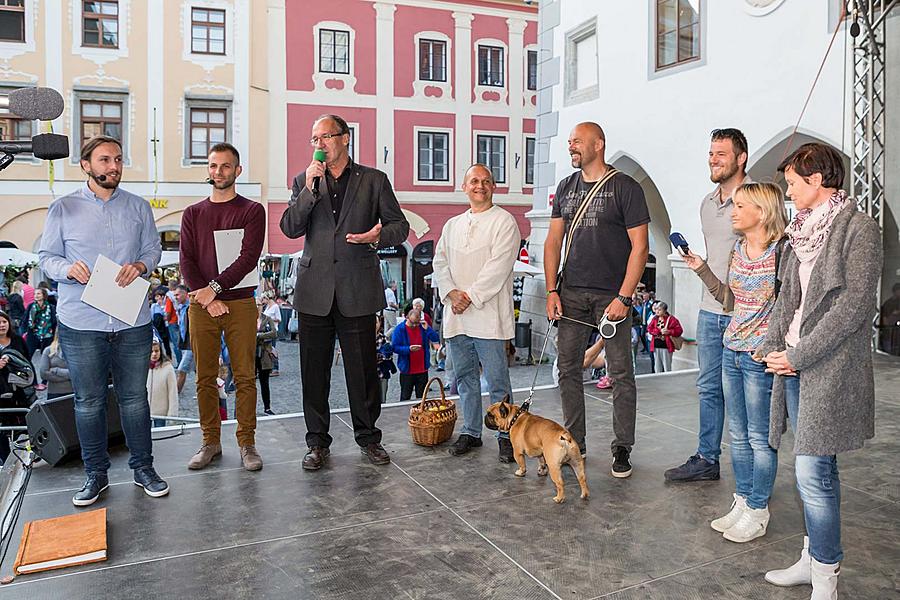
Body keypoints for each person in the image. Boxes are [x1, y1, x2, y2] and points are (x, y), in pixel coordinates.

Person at [756, 143, 882, 597]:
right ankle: (813, 559)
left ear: (816, 180)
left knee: (813, 471)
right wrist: (774, 344)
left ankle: (826, 575)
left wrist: (799, 353)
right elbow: (786, 296)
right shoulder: (801, 229)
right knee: (811, 469)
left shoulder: (859, 229)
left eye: (792, 183)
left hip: (828, 368)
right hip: (793, 363)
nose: (787, 191)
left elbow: (854, 307)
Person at [38, 135, 169, 506]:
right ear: (86, 165)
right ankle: (95, 476)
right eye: (105, 160)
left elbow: (152, 249)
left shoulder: (139, 207)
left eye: (118, 159)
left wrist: (142, 266)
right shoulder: (62, 208)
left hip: (132, 321)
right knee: (89, 403)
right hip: (82, 322)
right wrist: (68, 268)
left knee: (134, 400)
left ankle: (144, 469)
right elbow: (46, 257)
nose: (114, 166)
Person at [280, 113, 410, 470]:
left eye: (325, 137)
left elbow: (401, 227)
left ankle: (368, 437)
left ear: (345, 138)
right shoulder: (304, 181)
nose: (318, 145)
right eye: (314, 139)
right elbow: (290, 227)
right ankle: (317, 443)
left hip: (357, 288)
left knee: (363, 370)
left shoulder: (374, 180)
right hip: (314, 291)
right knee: (313, 371)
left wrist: (377, 236)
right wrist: (308, 189)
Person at [682, 182, 788, 543]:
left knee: (761, 438)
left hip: (760, 358)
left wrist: (775, 347)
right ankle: (743, 502)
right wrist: (701, 269)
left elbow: (791, 309)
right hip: (732, 351)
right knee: (738, 436)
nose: (734, 211)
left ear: (762, 211)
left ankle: (759, 508)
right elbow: (729, 300)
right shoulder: (739, 251)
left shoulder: (782, 253)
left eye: (741, 206)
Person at [543, 122, 649, 478]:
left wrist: (624, 296)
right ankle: (575, 440)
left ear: (598, 144)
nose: (571, 146)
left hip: (611, 295)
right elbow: (553, 242)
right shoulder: (565, 187)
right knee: (567, 369)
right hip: (570, 292)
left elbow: (640, 247)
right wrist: (551, 290)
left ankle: (622, 447)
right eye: (570, 141)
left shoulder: (625, 187)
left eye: (577, 141)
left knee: (621, 373)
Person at [665, 128, 750, 483]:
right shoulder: (707, 203)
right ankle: (707, 459)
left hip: (745, 313)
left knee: (744, 394)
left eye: (721, 154)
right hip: (709, 309)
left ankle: (752, 474)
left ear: (740, 158)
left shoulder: (755, 200)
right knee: (708, 388)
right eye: (711, 154)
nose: (713, 160)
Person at [180, 142, 265, 472]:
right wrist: (206, 296)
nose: (219, 172)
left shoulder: (251, 210)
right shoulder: (193, 213)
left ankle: (247, 443)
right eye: (214, 166)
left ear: (237, 171)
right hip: (201, 305)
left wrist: (212, 290)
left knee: (244, 376)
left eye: (226, 166)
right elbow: (186, 259)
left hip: (240, 303)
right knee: (204, 377)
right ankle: (210, 442)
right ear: (208, 170)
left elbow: (248, 258)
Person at [432, 164, 520, 460]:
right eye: (473, 181)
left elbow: (499, 266)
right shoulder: (452, 225)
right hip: (457, 317)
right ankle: (471, 431)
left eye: (485, 181)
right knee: (465, 378)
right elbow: (439, 262)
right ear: (464, 186)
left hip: (488, 317)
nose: (479, 186)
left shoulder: (504, 221)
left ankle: (506, 435)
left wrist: (469, 296)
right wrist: (451, 293)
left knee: (497, 382)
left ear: (494, 186)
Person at [0, 309, 33, 463]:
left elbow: (27, 360)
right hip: (1, 394)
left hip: (20, 391)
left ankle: (26, 455)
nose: (2, 325)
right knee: (3, 431)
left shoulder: (18, 340)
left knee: (24, 426)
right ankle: (5, 459)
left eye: (4, 322)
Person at [391, 305, 440, 403]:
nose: (414, 325)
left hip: (422, 369)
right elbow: (395, 347)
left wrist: (428, 329)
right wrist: (408, 349)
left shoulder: (422, 327)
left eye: (416, 323)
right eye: (412, 323)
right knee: (405, 397)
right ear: (407, 318)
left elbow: (435, 339)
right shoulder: (399, 329)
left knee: (422, 399)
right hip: (407, 370)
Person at [23, 287, 57, 390]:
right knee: (27, 358)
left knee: (47, 359)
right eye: (35, 294)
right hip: (33, 335)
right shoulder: (31, 307)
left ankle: (45, 381)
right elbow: (25, 320)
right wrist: (24, 331)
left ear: (43, 295)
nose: (36, 296)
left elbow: (54, 322)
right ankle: (33, 382)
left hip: (47, 335)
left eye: (38, 294)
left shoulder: (50, 307)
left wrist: (55, 335)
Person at [147, 339, 178, 428]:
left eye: (156, 351)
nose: (154, 354)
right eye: (151, 351)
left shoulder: (168, 369)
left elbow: (172, 392)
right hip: (145, 412)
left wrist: (172, 415)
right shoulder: (143, 367)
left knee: (160, 437)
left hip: (161, 413)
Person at [646, 302, 683, 373]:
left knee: (667, 367)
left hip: (666, 346)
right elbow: (649, 329)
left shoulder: (672, 319)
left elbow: (679, 330)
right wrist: (658, 331)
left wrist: (669, 331)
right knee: (657, 367)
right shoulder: (655, 319)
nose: (657, 311)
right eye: (656, 309)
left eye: (659, 309)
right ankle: (658, 382)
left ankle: (668, 382)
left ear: (665, 310)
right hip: (656, 345)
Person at [255, 300, 278, 415]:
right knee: (249, 384)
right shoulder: (248, 319)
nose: (257, 307)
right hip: (251, 354)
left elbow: (274, 333)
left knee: (265, 382)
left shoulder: (267, 319)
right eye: (255, 305)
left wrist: (259, 336)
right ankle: (248, 409)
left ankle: (267, 407)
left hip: (264, 354)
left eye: (259, 304)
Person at [38, 332, 73, 400]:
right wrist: (70, 376)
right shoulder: (48, 350)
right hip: (54, 393)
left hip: (74, 393)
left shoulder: (76, 352)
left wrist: (57, 371)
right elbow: (43, 374)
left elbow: (80, 373)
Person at [172, 285, 194, 394]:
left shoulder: (192, 307)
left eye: (177, 294)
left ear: (185, 294)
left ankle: (175, 395)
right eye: (174, 295)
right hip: (186, 344)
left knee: (181, 370)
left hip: (191, 344)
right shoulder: (182, 308)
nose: (175, 297)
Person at [261, 292, 282, 376]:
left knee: (272, 348)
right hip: (266, 330)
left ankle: (275, 368)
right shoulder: (267, 307)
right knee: (267, 349)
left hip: (273, 329)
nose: (263, 301)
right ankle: (270, 367)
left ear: (267, 298)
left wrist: (270, 320)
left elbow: (279, 319)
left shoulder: (275, 307)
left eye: (264, 299)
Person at [878, 282, 900, 355]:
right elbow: (884, 317)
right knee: (889, 350)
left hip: (897, 332)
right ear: (895, 291)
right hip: (889, 330)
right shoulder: (888, 303)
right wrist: (886, 327)